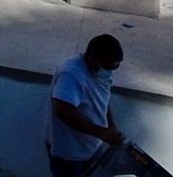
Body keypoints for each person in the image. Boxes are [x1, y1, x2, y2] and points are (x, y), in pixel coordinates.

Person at [47, 33, 125, 176]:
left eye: (115, 67)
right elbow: (62, 110)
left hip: (92, 146)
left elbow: (102, 99)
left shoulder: (101, 71)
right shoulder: (72, 75)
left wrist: (110, 126)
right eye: (108, 66)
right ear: (93, 57)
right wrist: (101, 133)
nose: (110, 71)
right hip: (69, 152)